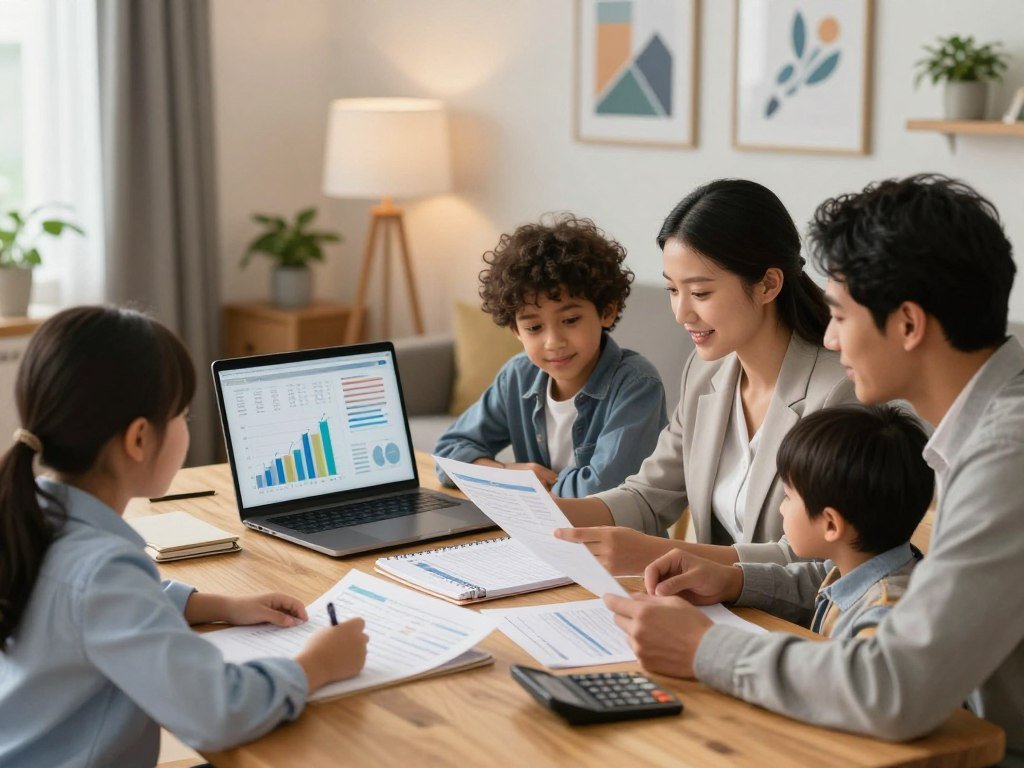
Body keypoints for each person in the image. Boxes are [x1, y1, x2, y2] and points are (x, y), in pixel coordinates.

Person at [605, 175, 1024, 764]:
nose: (827, 336)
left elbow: (894, 686)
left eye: (841, 316)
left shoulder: (1008, 455)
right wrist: (736, 578)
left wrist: (707, 650)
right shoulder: (985, 430)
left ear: (908, 324)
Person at [0, 307, 369, 767]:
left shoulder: (31, 515)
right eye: (183, 416)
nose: (186, 429)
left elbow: (85, 612)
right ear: (138, 439)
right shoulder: (103, 571)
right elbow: (218, 711)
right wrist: (317, 664)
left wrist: (216, 605)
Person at [556, 179, 856, 573]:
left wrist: (661, 556)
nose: (681, 314)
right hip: (709, 609)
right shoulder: (705, 373)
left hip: (788, 624)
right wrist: (538, 511)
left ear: (768, 284)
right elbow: (648, 496)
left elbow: (818, 563)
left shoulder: (838, 393)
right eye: (672, 290)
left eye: (699, 293)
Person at [434, 213, 668, 497]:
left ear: (607, 311)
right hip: (541, 536)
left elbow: (601, 492)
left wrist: (519, 485)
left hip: (614, 540)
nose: (553, 342)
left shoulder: (636, 384)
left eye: (570, 320)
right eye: (534, 327)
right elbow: (447, 457)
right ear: (515, 330)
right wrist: (507, 472)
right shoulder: (519, 376)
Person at [663, 404, 933, 641]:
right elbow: (810, 581)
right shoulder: (858, 565)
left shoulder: (884, 619)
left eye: (788, 496)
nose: (781, 508)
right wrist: (732, 580)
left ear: (831, 525)